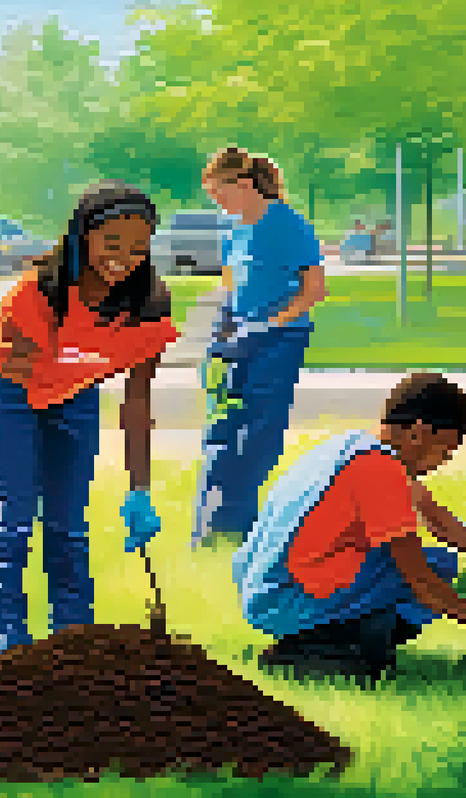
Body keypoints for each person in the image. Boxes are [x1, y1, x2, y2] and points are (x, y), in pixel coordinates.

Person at [0, 180, 179, 660]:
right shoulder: (38, 292)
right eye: (111, 244)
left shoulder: (149, 308)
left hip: (75, 394)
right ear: (82, 236)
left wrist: (140, 489)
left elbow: (137, 405)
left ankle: (72, 650)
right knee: (15, 520)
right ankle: (9, 652)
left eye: (138, 248)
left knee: (68, 527)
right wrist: (86, 360)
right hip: (12, 392)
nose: (123, 257)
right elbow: (35, 374)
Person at [233, 373, 466, 685]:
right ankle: (320, 653)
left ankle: (336, 639)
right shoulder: (379, 473)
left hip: (264, 587)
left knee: (439, 563)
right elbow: (421, 582)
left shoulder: (357, 447)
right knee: (430, 574)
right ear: (419, 433)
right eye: (445, 451)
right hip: (284, 598)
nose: (444, 462)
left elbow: (441, 524)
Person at [193, 147, 330, 547]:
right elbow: (231, 287)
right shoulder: (236, 230)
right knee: (221, 429)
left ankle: (238, 525)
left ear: (244, 184)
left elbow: (314, 290)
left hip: (279, 341)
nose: (217, 203)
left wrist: (269, 325)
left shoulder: (287, 225)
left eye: (220, 193)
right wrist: (221, 330)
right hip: (236, 339)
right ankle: (211, 528)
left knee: (257, 436)